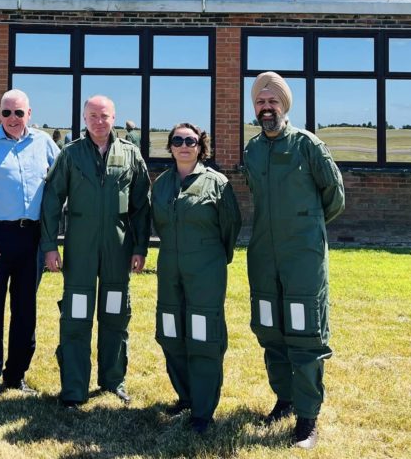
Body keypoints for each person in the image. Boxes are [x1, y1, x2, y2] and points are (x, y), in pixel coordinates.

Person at [243, 72, 345, 450]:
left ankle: (307, 418)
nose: (266, 108)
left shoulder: (308, 146)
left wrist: (307, 232)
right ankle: (284, 399)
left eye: (272, 102)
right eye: (260, 102)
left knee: (305, 333)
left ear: (284, 106)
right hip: (264, 256)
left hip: (302, 257)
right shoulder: (253, 150)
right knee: (270, 328)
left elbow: (334, 197)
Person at [41, 95, 151, 407]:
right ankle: (74, 388)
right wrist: (50, 246)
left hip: (118, 249)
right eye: (93, 116)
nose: (99, 122)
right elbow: (51, 199)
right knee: (76, 316)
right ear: (84, 118)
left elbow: (142, 206)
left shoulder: (131, 155)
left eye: (104, 116)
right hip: (80, 249)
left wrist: (140, 247)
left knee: (115, 314)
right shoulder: (71, 154)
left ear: (113, 117)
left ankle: (112, 381)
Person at [0, 89, 60, 409]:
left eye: (19, 113)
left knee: (25, 310)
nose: (13, 119)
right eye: (7, 113)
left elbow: (60, 188)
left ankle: (16, 375)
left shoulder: (45, 144)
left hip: (30, 239)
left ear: (29, 114)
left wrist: (52, 239)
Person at [151, 123, 241, 434]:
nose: (184, 145)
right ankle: (186, 396)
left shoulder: (217, 183)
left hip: (206, 268)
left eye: (191, 140)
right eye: (178, 140)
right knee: (171, 331)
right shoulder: (161, 185)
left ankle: (203, 411)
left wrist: (212, 258)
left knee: (203, 335)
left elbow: (230, 227)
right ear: (171, 146)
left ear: (200, 146)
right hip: (169, 267)